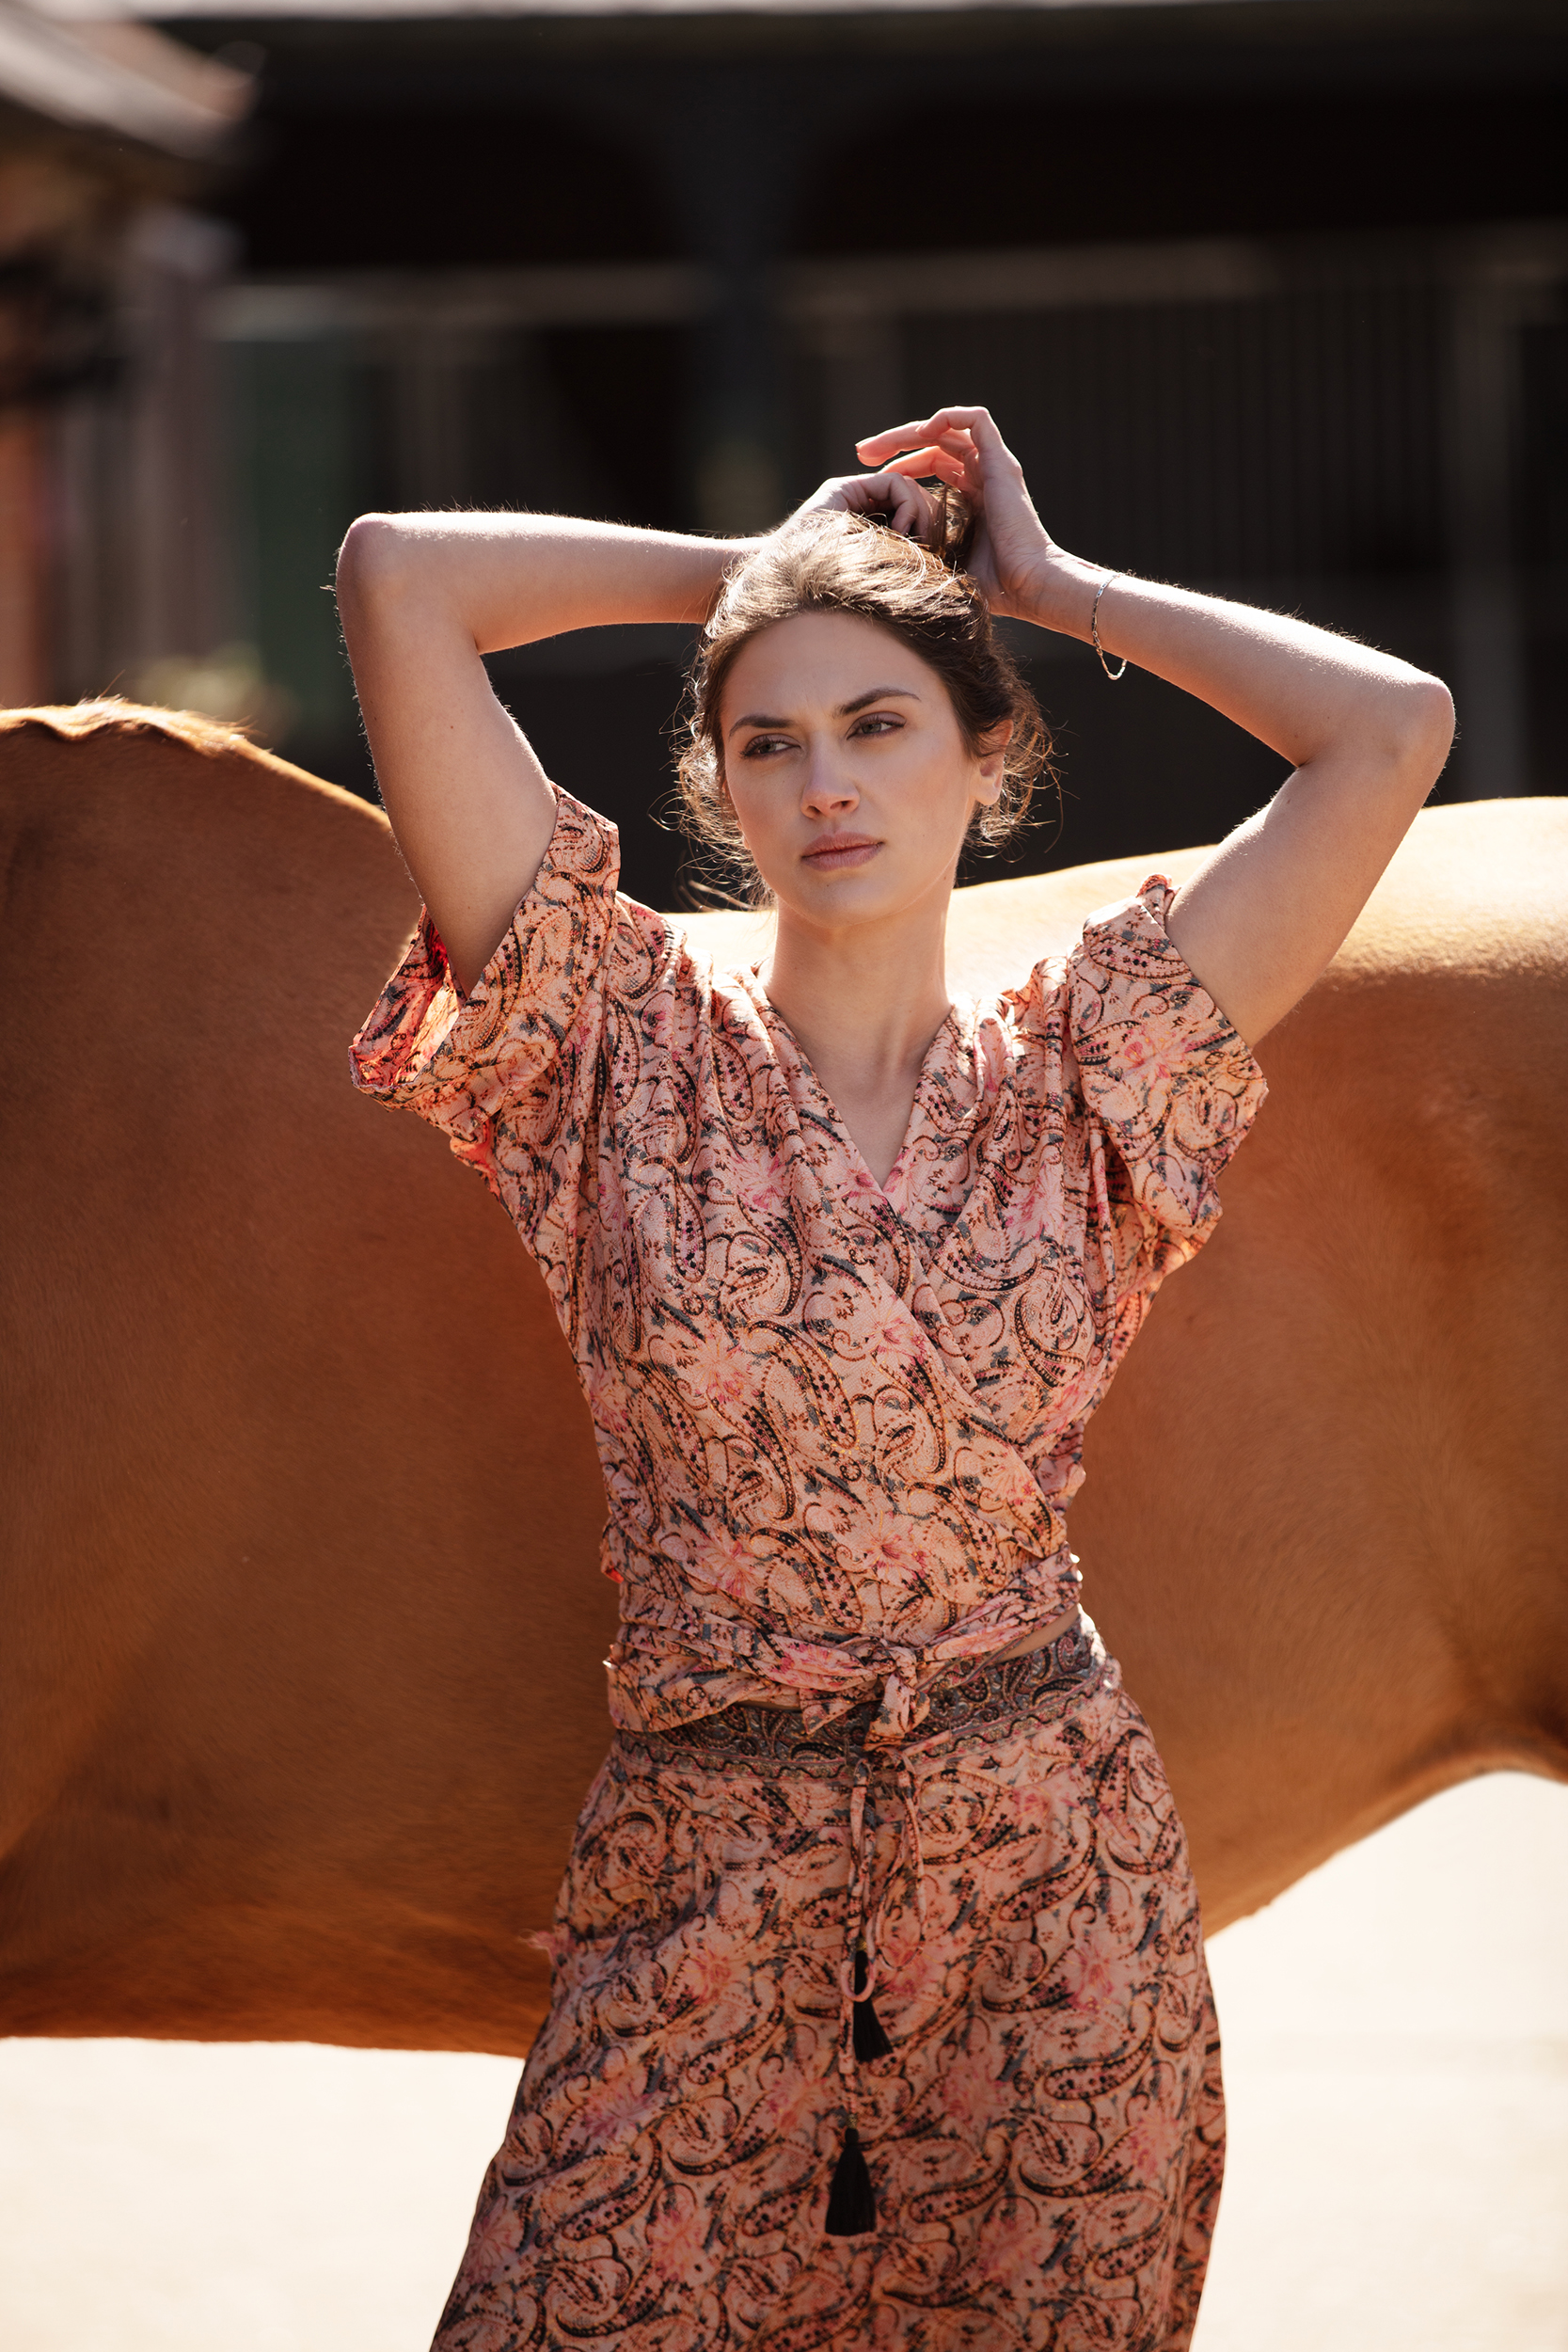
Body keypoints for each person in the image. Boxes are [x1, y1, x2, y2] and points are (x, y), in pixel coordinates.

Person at [339, 405, 1452, 2351]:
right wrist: (763, 570)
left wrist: (1043, 587)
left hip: (1053, 1885)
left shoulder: (1097, 1057)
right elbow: (396, 577)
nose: (824, 779)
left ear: (982, 753)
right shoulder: (607, 1044)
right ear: (719, 783)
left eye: (879, 721)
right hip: (700, 1873)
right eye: (768, 737)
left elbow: (1395, 727)